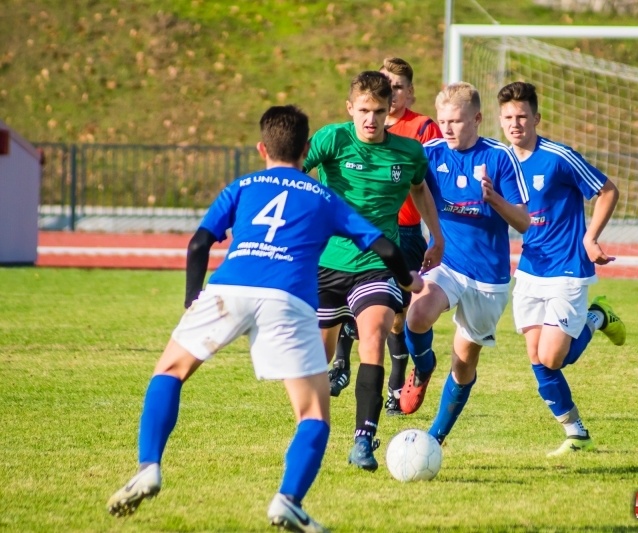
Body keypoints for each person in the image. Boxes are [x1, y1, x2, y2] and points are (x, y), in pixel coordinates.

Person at [106, 105, 423, 532]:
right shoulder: (324, 197)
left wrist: (193, 300)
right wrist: (408, 282)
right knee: (313, 415)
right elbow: (386, 248)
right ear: (307, 149)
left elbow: (200, 243)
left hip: (228, 289)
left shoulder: (243, 185)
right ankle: (288, 500)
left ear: (262, 148)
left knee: (170, 371)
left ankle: (148, 466)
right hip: (288, 299)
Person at [303, 71, 444, 471]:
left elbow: (420, 190)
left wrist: (437, 237)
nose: (370, 119)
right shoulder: (333, 138)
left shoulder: (407, 152)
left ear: (389, 112)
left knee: (375, 336)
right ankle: (313, 424)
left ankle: (363, 440)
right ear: (350, 108)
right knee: (319, 354)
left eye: (378, 111)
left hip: (377, 264)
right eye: (363, 110)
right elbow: (293, 169)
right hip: (326, 264)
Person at [497, 81, 626, 457]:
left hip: (569, 266)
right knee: (538, 361)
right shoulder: (501, 161)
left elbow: (607, 190)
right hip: (530, 268)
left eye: (522, 116)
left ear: (536, 118)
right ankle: (576, 433)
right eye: (508, 117)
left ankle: (597, 316)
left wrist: (590, 237)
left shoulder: (558, 157)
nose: (515, 123)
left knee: (553, 357)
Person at [399, 82, 531, 446]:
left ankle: (435, 438)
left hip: (488, 279)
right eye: (442, 121)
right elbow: (412, 187)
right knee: (418, 313)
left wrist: (494, 199)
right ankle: (423, 368)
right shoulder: (430, 154)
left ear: (476, 118)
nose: (447, 128)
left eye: (456, 121)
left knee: (464, 363)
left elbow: (523, 221)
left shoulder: (500, 157)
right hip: (447, 262)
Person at [328, 57, 444, 418]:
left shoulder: (422, 131)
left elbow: (425, 183)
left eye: (395, 88)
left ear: (407, 93)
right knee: (344, 315)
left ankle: (392, 388)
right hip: (338, 250)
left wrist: (438, 234)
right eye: (384, 87)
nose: (388, 97)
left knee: (390, 319)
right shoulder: (341, 136)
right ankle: (340, 366)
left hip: (400, 238)